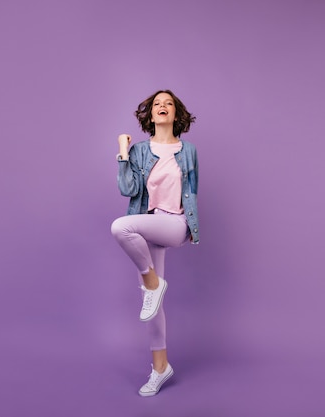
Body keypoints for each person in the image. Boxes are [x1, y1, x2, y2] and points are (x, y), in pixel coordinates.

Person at [110, 90, 199, 396]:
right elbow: (128, 189)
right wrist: (123, 152)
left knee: (120, 226)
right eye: (157, 103)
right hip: (149, 223)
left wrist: (192, 227)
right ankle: (160, 367)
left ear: (177, 114)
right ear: (149, 115)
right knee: (152, 304)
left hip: (174, 224)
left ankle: (152, 281)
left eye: (168, 103)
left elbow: (191, 193)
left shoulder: (188, 151)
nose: (162, 106)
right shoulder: (140, 152)